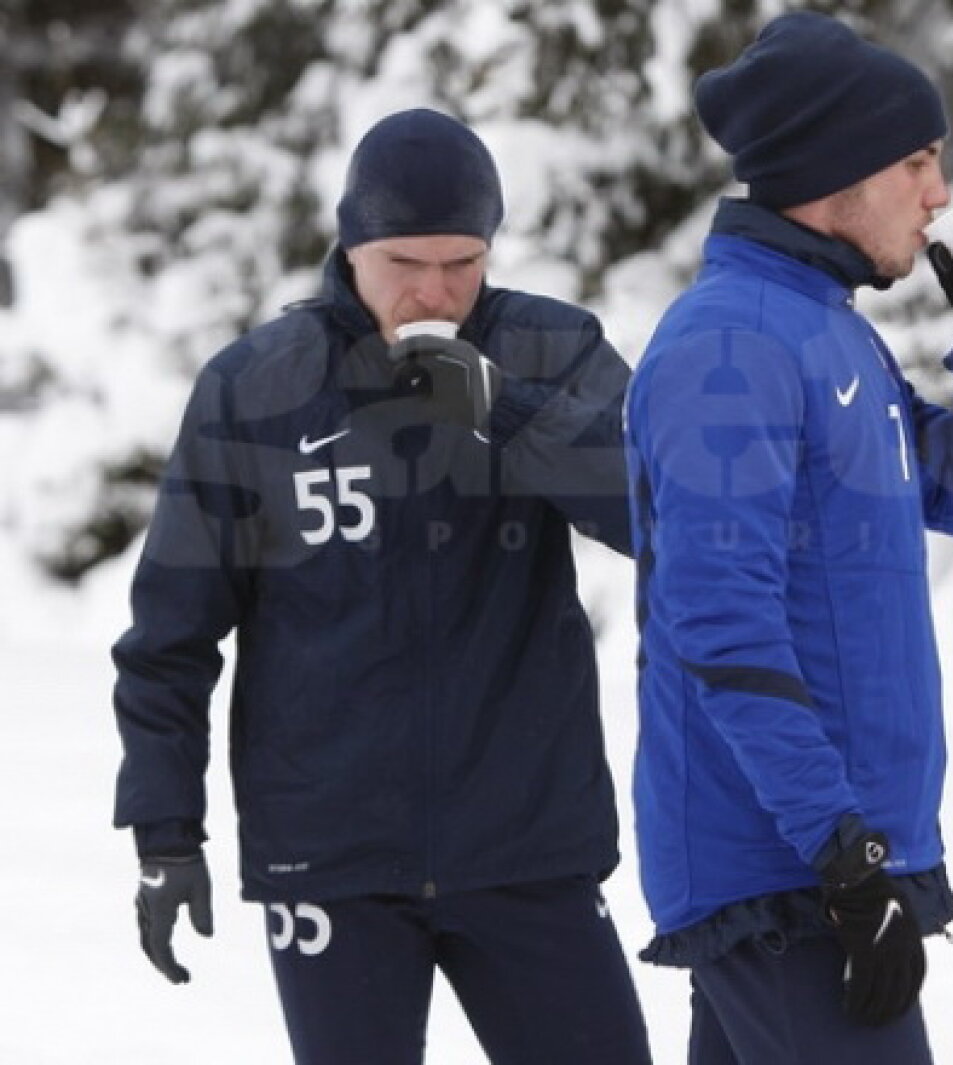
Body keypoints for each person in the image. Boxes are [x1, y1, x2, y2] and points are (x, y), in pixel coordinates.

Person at [112, 107, 653, 1065]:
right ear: (352, 244)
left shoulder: (549, 348)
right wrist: (164, 828)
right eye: (406, 263)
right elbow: (172, 631)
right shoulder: (255, 387)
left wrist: (503, 408)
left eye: (462, 262)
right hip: (330, 859)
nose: (435, 292)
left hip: (527, 844)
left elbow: (653, 512)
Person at [625, 12, 953, 1065]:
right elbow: (718, 621)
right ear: (834, 172)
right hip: (790, 876)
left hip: (824, 864)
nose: (939, 194)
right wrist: (843, 857)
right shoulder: (734, 343)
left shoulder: (822, 328)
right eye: (918, 161)